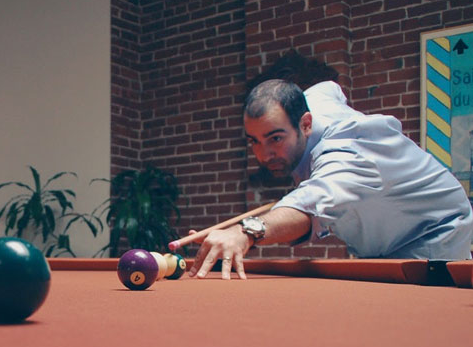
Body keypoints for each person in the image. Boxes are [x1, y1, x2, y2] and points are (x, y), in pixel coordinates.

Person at [189, 78, 473, 280]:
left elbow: (309, 205)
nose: (264, 154)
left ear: (306, 123)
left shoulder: (346, 154)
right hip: (383, 243)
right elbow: (330, 88)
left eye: (275, 138)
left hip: (434, 234)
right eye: (254, 141)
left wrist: (243, 232)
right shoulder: (311, 101)